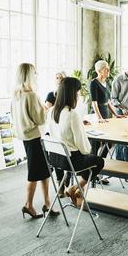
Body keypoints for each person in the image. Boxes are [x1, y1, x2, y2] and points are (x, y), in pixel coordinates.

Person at [11, 63, 59, 219]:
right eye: (35, 73)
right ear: (29, 75)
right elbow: (39, 119)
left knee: (45, 171)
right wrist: (47, 109)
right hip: (35, 138)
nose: (36, 75)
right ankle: (28, 205)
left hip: (26, 137)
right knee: (34, 173)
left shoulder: (16, 95)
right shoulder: (32, 95)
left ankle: (47, 203)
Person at [47, 77, 105, 206]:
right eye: (77, 92)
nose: (78, 96)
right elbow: (84, 147)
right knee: (98, 161)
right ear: (72, 93)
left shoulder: (51, 111)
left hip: (54, 158)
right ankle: (74, 188)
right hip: (70, 161)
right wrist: (87, 150)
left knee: (86, 160)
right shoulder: (72, 114)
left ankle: (78, 194)